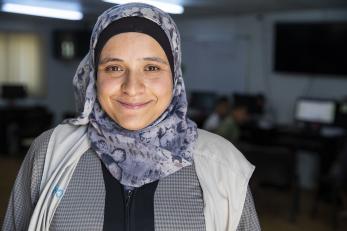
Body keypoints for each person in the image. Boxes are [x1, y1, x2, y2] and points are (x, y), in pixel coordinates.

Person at [2, 3, 260, 231]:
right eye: (114, 67)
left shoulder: (223, 165)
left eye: (151, 68)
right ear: (94, 76)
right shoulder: (49, 152)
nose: (132, 87)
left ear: (175, 77)